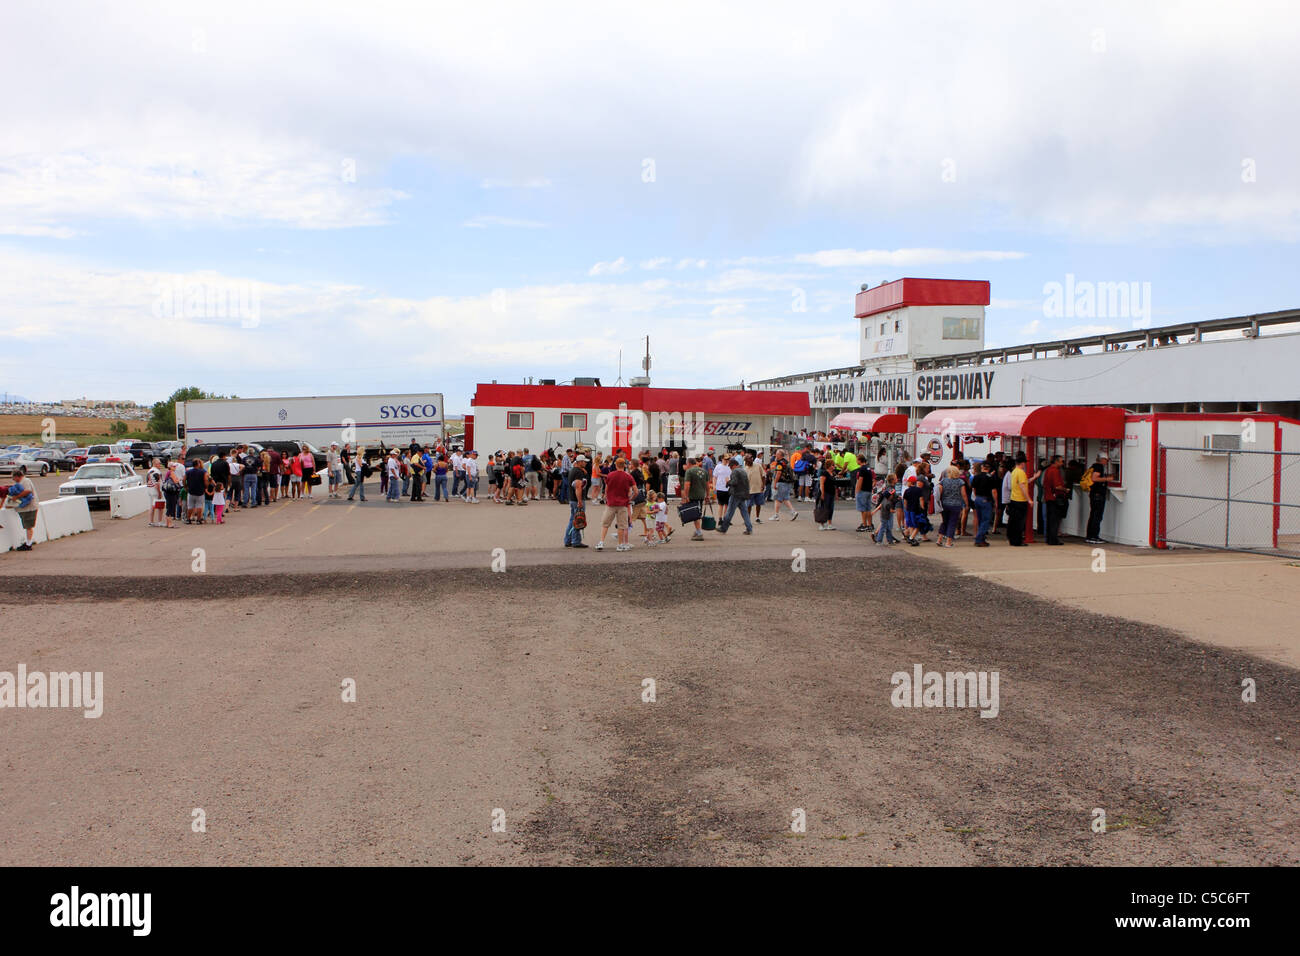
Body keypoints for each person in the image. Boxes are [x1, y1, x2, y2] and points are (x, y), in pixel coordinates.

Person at [596, 457, 636, 552]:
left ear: (615, 465)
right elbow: (636, 491)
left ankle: (601, 541)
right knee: (621, 525)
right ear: (624, 465)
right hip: (623, 504)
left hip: (611, 503)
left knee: (605, 524)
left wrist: (606, 497)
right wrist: (630, 499)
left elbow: (607, 488)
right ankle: (620, 544)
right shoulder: (628, 476)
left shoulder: (610, 475)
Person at [2, 465, 39, 550]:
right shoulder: (23, 481)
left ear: (17, 476)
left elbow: (28, 491)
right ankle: (28, 543)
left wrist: (17, 497)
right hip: (27, 507)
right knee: (27, 526)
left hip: (30, 507)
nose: (13, 480)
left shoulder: (25, 481)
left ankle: (28, 544)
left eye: (13, 477)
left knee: (28, 526)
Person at [717, 456, 754, 534]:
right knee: (745, 512)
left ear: (734, 465)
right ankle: (749, 528)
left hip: (736, 494)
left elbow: (734, 482)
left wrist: (728, 482)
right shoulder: (743, 470)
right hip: (743, 494)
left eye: (730, 466)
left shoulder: (735, 471)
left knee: (729, 512)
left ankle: (723, 528)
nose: (730, 468)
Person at [1083, 455, 1113, 544]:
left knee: (1093, 515)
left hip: (1094, 494)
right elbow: (1094, 478)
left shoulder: (1093, 466)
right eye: (1106, 460)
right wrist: (1108, 479)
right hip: (1098, 494)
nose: (1107, 462)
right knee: (1097, 516)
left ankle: (1089, 536)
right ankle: (1094, 536)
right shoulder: (1099, 466)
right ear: (1102, 459)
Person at [937, 464, 968, 548]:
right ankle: (948, 542)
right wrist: (967, 504)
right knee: (952, 523)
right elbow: (964, 494)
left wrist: (939, 501)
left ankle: (939, 539)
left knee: (945, 522)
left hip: (944, 504)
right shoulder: (960, 482)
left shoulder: (943, 481)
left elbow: (939, 491)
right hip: (956, 505)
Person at [1007, 452, 1034, 546]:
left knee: (1013, 521)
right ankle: (1017, 541)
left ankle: (1012, 539)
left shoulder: (1014, 471)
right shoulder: (1021, 472)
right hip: (1020, 500)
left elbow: (1024, 482)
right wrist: (1029, 499)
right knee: (1019, 522)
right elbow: (1023, 487)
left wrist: (1034, 477)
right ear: (1022, 463)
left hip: (1013, 499)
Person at [969, 461, 997, 547]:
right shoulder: (990, 477)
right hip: (986, 499)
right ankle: (979, 539)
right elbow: (994, 491)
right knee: (986, 520)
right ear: (989, 469)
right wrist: (996, 502)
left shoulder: (976, 477)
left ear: (982, 467)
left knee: (980, 519)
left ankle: (981, 538)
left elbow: (973, 488)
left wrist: (977, 496)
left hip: (978, 499)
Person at [563, 456, 589, 548]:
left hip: (572, 499)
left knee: (572, 519)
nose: (586, 463)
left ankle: (567, 540)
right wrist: (580, 501)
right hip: (576, 499)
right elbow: (578, 487)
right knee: (578, 520)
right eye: (584, 461)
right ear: (580, 462)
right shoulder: (578, 472)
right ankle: (576, 541)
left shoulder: (573, 470)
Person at [682, 456, 709, 541]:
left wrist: (686, 496)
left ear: (689, 463)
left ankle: (699, 533)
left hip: (693, 495)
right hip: (701, 495)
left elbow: (687, 485)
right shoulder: (704, 471)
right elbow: (707, 485)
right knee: (697, 513)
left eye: (687, 464)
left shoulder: (689, 471)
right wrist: (707, 495)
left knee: (695, 515)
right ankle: (697, 531)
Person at [1042, 454, 1067, 545]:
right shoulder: (1055, 471)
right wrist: (1065, 489)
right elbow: (1057, 486)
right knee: (1055, 520)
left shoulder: (1048, 470)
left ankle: (1049, 538)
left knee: (1049, 520)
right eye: (1061, 461)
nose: (1062, 463)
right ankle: (1053, 539)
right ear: (1056, 462)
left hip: (1048, 497)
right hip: (1055, 498)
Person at [769, 451, 798, 521]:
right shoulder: (786, 462)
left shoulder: (780, 463)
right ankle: (793, 512)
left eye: (777, 454)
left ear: (779, 455)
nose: (775, 455)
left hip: (781, 483)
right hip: (787, 483)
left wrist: (775, 483)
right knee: (785, 499)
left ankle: (776, 515)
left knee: (777, 499)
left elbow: (778, 473)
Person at [872, 478, 900, 544]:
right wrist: (894, 511)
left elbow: (880, 505)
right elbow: (891, 510)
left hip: (883, 516)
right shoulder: (889, 503)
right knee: (887, 529)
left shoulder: (884, 501)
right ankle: (880, 540)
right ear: (890, 496)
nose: (893, 495)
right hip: (887, 517)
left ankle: (889, 540)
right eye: (892, 495)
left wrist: (874, 511)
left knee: (886, 529)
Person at [853, 454, 875, 533]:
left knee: (863, 509)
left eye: (856, 459)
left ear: (859, 460)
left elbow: (860, 480)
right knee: (868, 508)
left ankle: (865, 524)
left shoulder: (862, 469)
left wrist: (857, 491)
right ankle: (870, 524)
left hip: (863, 491)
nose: (856, 461)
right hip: (868, 490)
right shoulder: (868, 468)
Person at [814, 457, 836, 530]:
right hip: (826, 493)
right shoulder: (824, 473)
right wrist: (822, 494)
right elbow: (821, 484)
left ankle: (830, 524)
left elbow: (834, 484)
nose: (834, 466)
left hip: (831, 493)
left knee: (831, 508)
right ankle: (822, 524)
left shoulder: (833, 473)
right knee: (824, 508)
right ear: (829, 466)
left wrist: (836, 494)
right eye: (833, 465)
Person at [184, 458, 207, 524]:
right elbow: (205, 480)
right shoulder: (203, 472)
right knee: (199, 506)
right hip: (200, 491)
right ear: (198, 464)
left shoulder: (188, 472)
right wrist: (206, 486)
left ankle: (188, 519)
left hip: (191, 490)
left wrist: (185, 486)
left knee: (190, 506)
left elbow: (184, 479)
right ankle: (198, 520)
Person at [745, 454, 766, 524]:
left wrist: (763, 485)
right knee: (749, 505)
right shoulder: (745, 469)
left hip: (758, 488)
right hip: (749, 490)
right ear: (746, 460)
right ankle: (747, 519)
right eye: (749, 459)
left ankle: (757, 518)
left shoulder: (758, 465)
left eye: (751, 458)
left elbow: (763, 476)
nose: (751, 459)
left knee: (758, 504)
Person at [146, 458, 166, 527]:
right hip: (156, 491)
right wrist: (159, 492)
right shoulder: (156, 471)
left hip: (150, 490)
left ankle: (151, 522)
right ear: (155, 463)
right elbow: (157, 483)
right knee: (160, 506)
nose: (160, 464)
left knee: (152, 506)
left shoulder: (149, 471)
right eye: (159, 463)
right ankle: (159, 521)